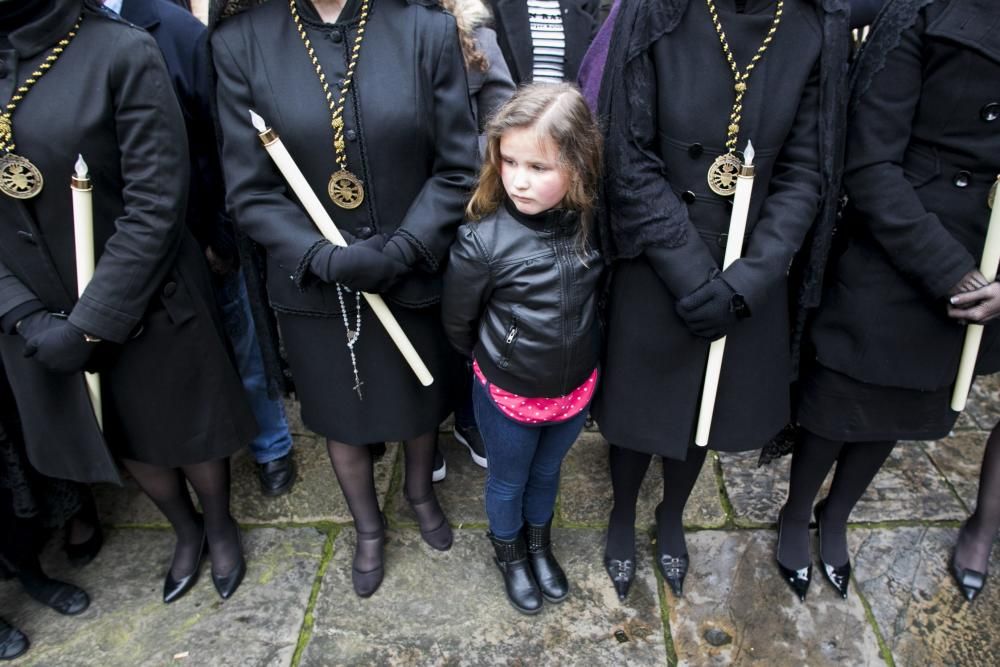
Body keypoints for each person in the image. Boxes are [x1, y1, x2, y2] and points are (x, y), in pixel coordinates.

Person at [212, 0, 478, 597]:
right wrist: (321, 257)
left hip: (411, 268)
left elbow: (458, 167)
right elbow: (250, 190)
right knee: (339, 411)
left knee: (417, 396)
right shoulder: (240, 43)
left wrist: (404, 248)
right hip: (311, 280)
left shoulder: (425, 31)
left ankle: (419, 492)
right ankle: (367, 526)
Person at [0, 0, 257, 604]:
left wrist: (93, 321)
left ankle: (219, 524)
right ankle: (185, 529)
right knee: (122, 432)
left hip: (144, 294)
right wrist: (23, 314)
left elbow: (157, 200)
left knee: (184, 427)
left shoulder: (120, 50)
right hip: (40, 310)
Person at [592, 0, 849, 601]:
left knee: (707, 414)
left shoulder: (813, 26)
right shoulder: (656, 11)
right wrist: (685, 269)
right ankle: (623, 513)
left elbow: (807, 170)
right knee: (639, 408)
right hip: (658, 253)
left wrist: (749, 281)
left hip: (748, 268)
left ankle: (670, 514)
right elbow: (627, 153)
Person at [779, 0, 1000, 602]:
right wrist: (948, 269)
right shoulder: (926, 11)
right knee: (841, 401)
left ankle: (838, 514)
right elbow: (870, 160)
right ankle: (797, 513)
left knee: (902, 410)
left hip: (987, 264)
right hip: (899, 246)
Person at [111, 0, 298, 497]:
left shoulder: (175, 31)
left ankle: (271, 445)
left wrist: (219, 232)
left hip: (199, 227)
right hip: (130, 245)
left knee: (243, 341)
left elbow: (220, 140)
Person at [442, 83, 603, 614]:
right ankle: (509, 552)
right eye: (508, 161)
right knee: (508, 480)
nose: (518, 180)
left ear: (578, 165)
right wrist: (498, 360)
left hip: (573, 393)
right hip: (509, 395)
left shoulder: (594, 226)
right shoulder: (482, 242)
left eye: (538, 167)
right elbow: (458, 323)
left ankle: (539, 543)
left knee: (548, 472)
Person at [438, 0, 516, 474]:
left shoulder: (476, 36)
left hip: (466, 204)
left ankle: (469, 415)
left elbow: (500, 122)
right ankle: (421, 429)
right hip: (398, 204)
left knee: (467, 312)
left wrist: (463, 178)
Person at [488, 0, 600, 85]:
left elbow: (593, 69)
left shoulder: (588, 5)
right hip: (516, 110)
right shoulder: (495, 5)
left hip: (567, 109)